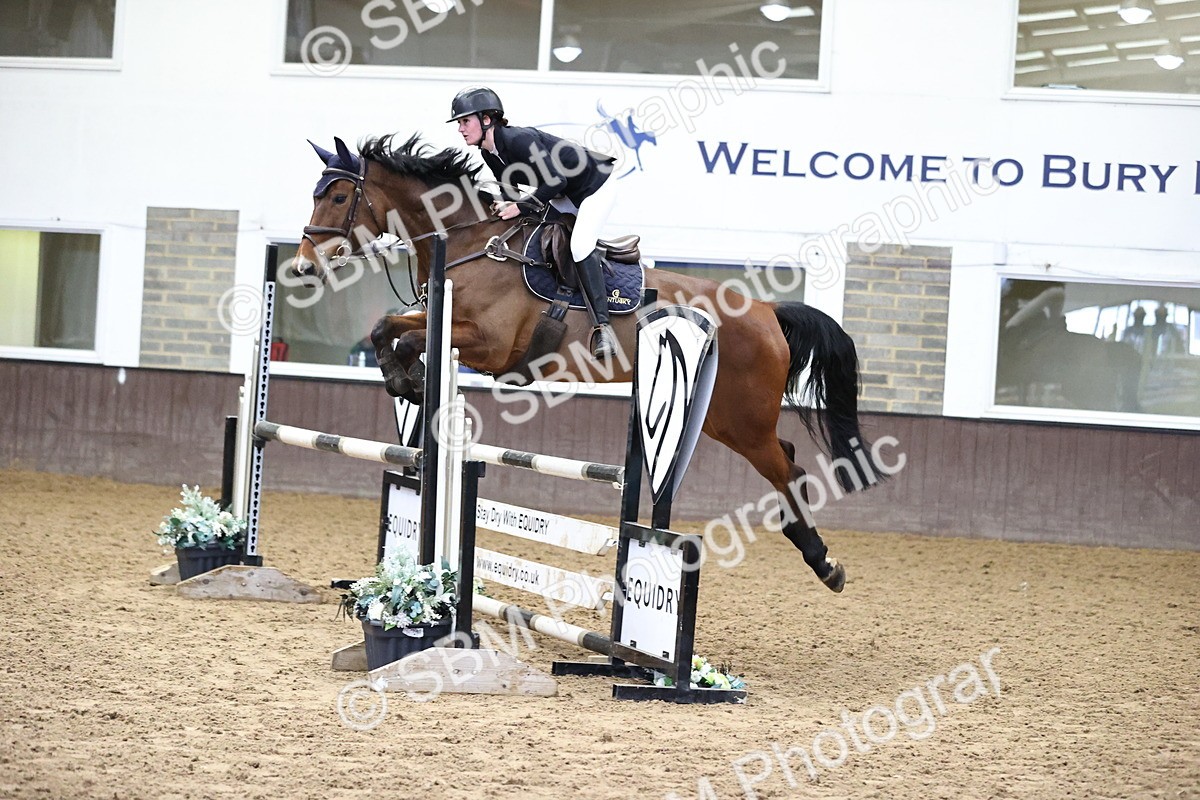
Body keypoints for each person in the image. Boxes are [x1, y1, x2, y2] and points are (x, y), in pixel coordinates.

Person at [448, 86, 618, 361]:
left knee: (579, 246)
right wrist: (501, 208)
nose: (460, 129)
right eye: (459, 123)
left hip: (595, 187)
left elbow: (555, 181)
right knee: (533, 237)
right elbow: (511, 193)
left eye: (465, 121)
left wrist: (519, 205)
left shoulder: (519, 140)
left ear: (487, 119)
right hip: (563, 194)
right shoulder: (490, 153)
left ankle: (604, 328)